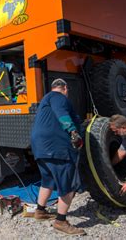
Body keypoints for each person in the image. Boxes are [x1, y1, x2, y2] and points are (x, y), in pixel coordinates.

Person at [30, 78, 85, 236]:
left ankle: (40, 211)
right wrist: (74, 133)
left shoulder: (45, 100)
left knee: (48, 179)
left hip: (40, 146)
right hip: (56, 146)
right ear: (65, 88)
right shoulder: (57, 97)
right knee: (67, 183)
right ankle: (61, 221)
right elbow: (62, 112)